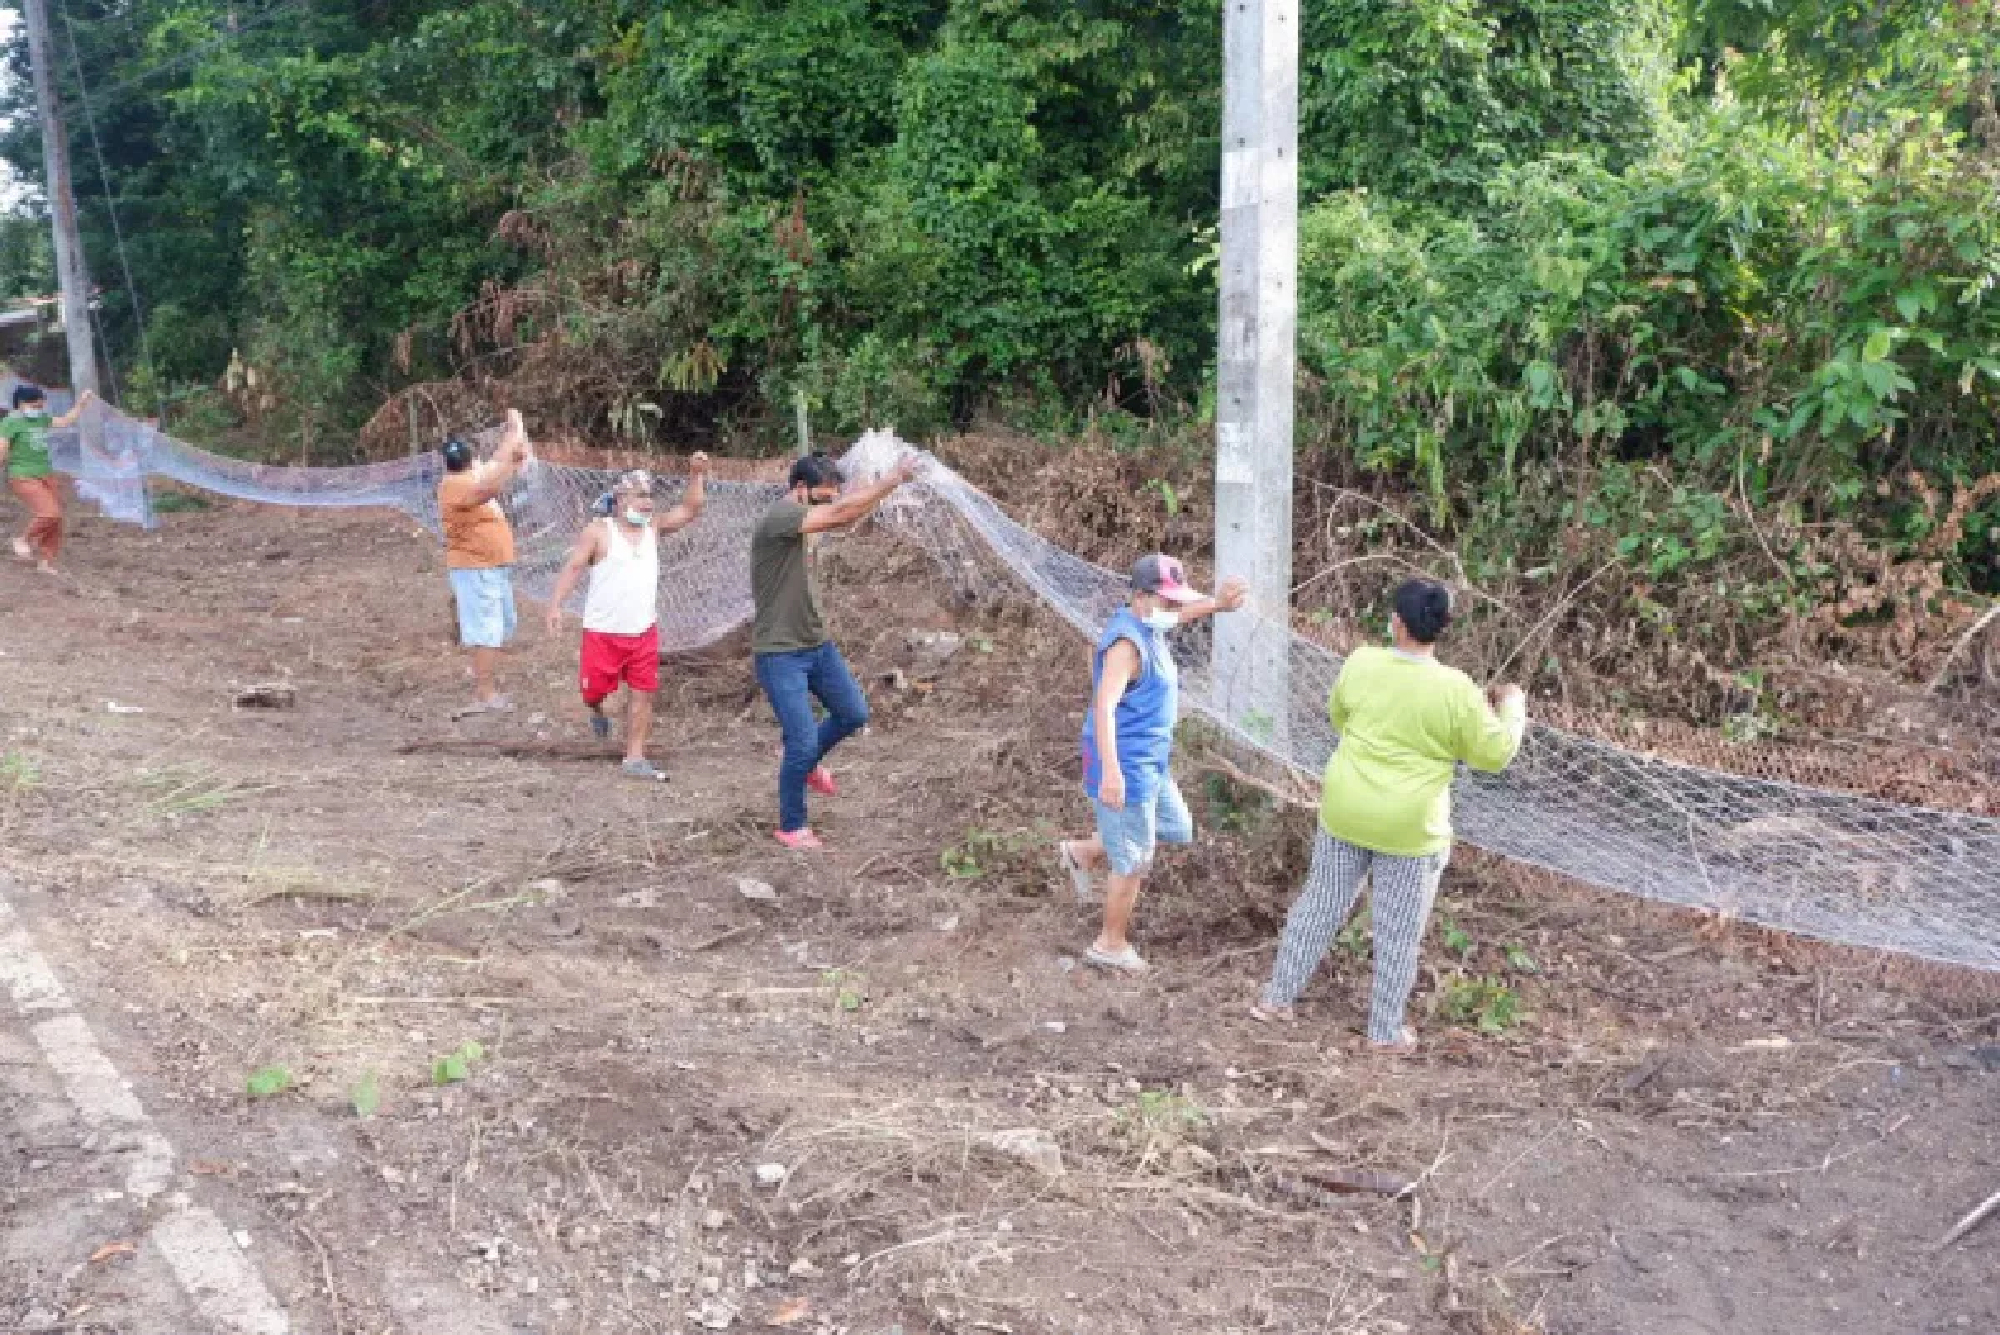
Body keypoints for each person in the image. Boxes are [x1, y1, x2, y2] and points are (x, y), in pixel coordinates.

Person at [1251, 578, 1527, 1051]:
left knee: (1319, 906)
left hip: (1346, 809)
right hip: (1410, 828)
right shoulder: (1457, 690)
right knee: (1398, 932)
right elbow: (1494, 754)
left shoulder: (1361, 662)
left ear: (1396, 623)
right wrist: (1513, 706)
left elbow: (1340, 717)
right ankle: (1384, 1032)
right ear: (1442, 628)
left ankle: (1276, 999)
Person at [1055, 555, 1248, 974]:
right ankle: (1110, 945)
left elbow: (1176, 617)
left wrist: (1217, 604)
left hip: (1151, 761)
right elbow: (1104, 708)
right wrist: (1111, 773)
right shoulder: (1127, 645)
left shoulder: (1151, 623)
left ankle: (1084, 851)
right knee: (1133, 862)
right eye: (1168, 600)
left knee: (1176, 827)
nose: (1174, 608)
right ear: (1141, 597)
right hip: (1125, 763)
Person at [752, 450, 919, 849]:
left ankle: (805, 762)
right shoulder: (781, 517)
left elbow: (847, 509)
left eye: (832, 494)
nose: (829, 500)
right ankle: (792, 826)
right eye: (823, 494)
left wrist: (872, 482)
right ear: (800, 488)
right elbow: (842, 514)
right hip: (780, 652)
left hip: (816, 644)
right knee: (802, 741)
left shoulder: (806, 515)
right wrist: (892, 480)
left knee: (853, 713)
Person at [545, 458, 711, 780]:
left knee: (643, 693)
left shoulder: (654, 528)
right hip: (602, 633)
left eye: (649, 495)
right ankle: (596, 710)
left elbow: (690, 509)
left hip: (642, 631)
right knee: (593, 692)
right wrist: (555, 605)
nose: (647, 502)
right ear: (620, 500)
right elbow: (574, 567)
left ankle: (634, 756)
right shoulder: (598, 532)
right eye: (639, 495)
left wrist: (696, 475)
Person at [439, 410, 531, 714]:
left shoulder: (473, 473)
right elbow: (489, 487)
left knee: (501, 624)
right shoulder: (453, 484)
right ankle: (485, 694)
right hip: (475, 567)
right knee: (487, 630)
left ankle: (482, 671)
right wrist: (514, 460)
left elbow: (497, 461)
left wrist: (514, 430)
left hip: (490, 566)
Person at [2, 384, 96, 575]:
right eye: (35, 406)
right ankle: (23, 540)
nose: (39, 410)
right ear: (21, 404)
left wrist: (82, 403)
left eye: (41, 406)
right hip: (23, 475)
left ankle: (46, 562)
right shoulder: (10, 422)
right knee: (49, 513)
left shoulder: (42, 419)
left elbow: (66, 420)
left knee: (56, 520)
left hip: (46, 474)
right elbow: (2, 449)